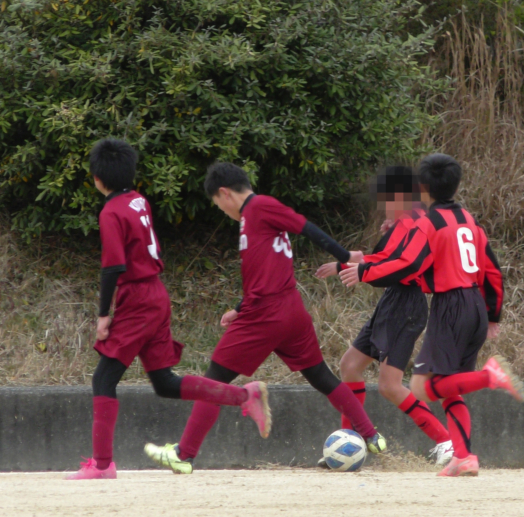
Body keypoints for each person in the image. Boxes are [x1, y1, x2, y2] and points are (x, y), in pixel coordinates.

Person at [144, 162, 387, 474]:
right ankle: (371, 435)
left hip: (266, 314)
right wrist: (239, 307)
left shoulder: (259, 206)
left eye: (218, 204)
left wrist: (345, 255)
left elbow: (304, 225)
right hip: (289, 311)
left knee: (212, 382)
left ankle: (184, 454)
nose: (221, 210)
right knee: (321, 377)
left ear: (224, 193)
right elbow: (264, 272)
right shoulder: (253, 217)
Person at [66, 140, 270, 480]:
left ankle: (102, 465)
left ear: (98, 179)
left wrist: (103, 315)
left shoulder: (110, 212)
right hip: (156, 294)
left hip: (137, 299)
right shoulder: (139, 200)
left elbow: (113, 267)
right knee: (163, 382)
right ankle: (243, 395)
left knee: (103, 378)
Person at [340, 153, 524, 477]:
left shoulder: (428, 223)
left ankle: (490, 376)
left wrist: (364, 271)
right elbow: (493, 270)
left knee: (423, 386)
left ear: (423, 188)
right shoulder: (468, 219)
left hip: (450, 306)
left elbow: (409, 264)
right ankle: (463, 457)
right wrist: (493, 314)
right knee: (450, 388)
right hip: (476, 304)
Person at [316, 166, 453, 466]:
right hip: (392, 302)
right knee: (349, 366)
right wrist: (346, 264)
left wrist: (362, 269)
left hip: (408, 305)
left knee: (390, 386)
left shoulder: (420, 222)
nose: (383, 204)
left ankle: (445, 440)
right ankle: (350, 443)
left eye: (387, 198)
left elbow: (405, 264)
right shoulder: (404, 221)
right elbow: (385, 258)